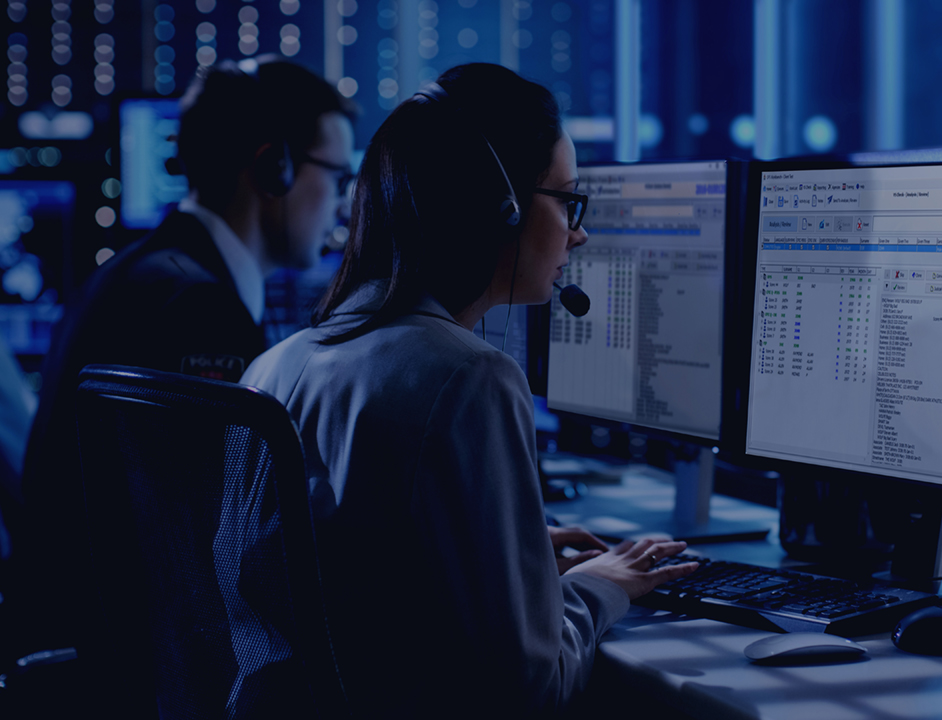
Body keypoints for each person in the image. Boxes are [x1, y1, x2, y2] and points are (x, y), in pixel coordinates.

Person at [241, 63, 699, 716]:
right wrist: (601, 587)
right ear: (501, 207)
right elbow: (531, 685)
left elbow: (337, 574)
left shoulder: (273, 367)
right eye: (566, 201)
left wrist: (501, 554)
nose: (579, 231)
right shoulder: (468, 379)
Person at [17, 56, 357, 653]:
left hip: (82, 651)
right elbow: (232, 550)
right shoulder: (200, 312)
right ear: (273, 168)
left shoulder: (139, 273)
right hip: (136, 672)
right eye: (336, 176)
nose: (342, 205)